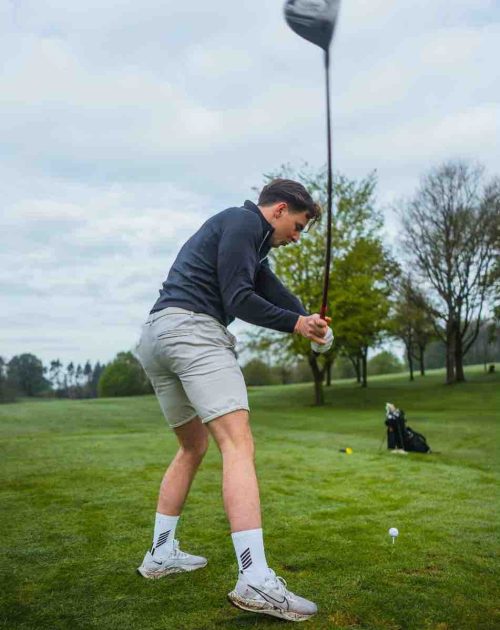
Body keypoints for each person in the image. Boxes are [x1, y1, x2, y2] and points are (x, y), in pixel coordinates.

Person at [134, 178, 334, 622]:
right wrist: (298, 326)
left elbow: (269, 287)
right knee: (238, 445)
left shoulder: (245, 234)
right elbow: (240, 299)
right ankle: (254, 579)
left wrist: (308, 318)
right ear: (279, 210)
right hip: (193, 333)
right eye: (298, 226)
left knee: (193, 446)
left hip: (157, 336)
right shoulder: (245, 224)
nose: (296, 237)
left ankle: (160, 553)